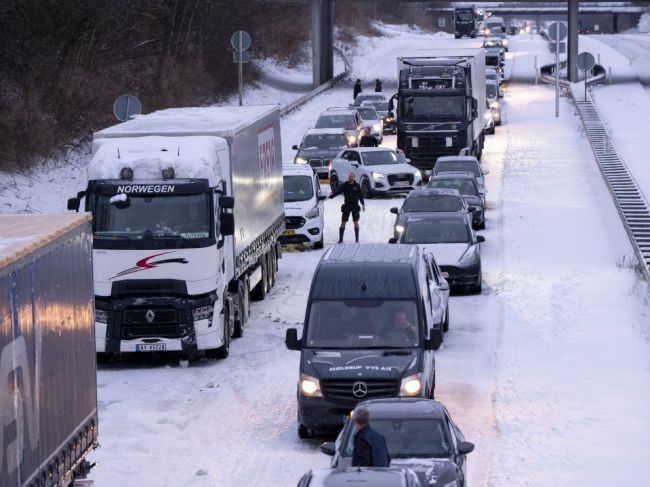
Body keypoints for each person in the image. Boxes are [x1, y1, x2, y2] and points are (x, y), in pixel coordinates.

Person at [329, 172, 365, 243]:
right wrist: (332, 196)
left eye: (352, 176)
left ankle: (357, 239)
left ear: (354, 178)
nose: (350, 178)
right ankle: (341, 239)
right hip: (347, 205)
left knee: (355, 221)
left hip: (355, 205)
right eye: (349, 176)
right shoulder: (344, 185)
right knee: (343, 221)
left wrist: (363, 204)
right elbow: (338, 191)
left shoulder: (357, 186)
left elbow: (360, 196)